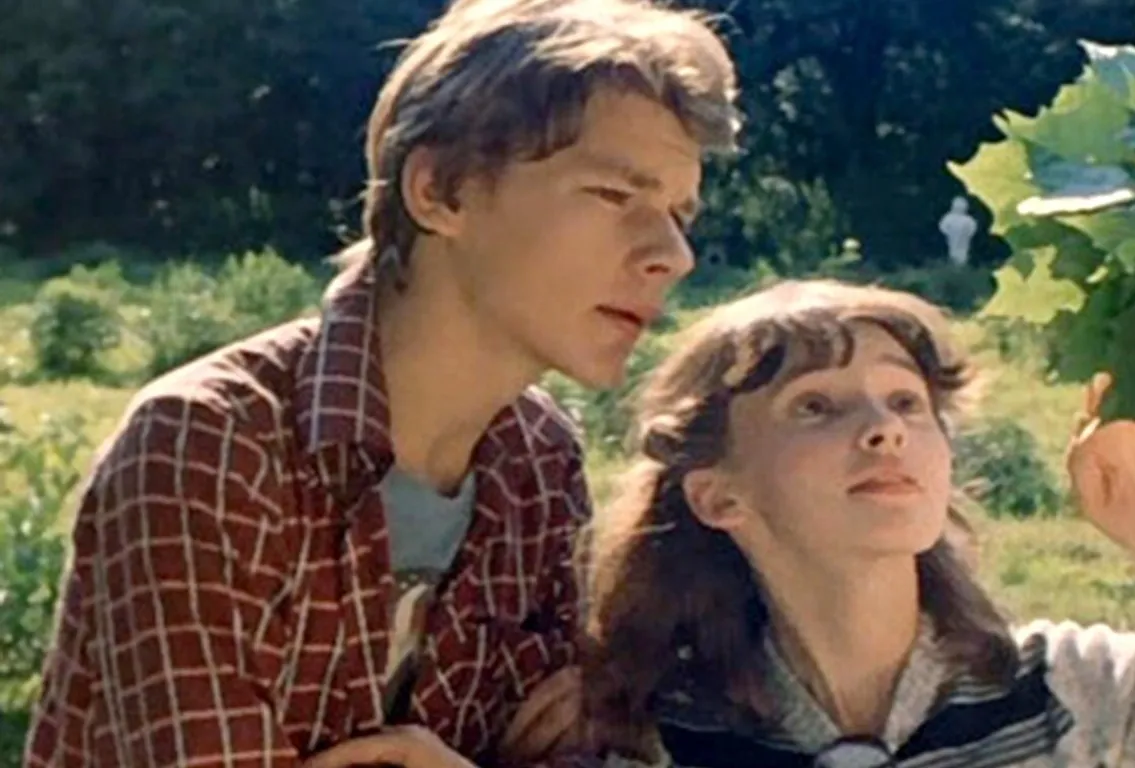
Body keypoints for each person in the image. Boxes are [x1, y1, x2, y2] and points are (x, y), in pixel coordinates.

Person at [24, 1, 741, 766]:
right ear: (439, 191)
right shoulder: (209, 442)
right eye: (613, 196)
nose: (673, 253)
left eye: (677, 213)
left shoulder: (540, 463)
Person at [581, 279, 1135, 767]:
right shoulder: (652, 741)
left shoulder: (1093, 695)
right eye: (816, 406)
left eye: (907, 402)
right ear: (719, 497)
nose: (885, 430)